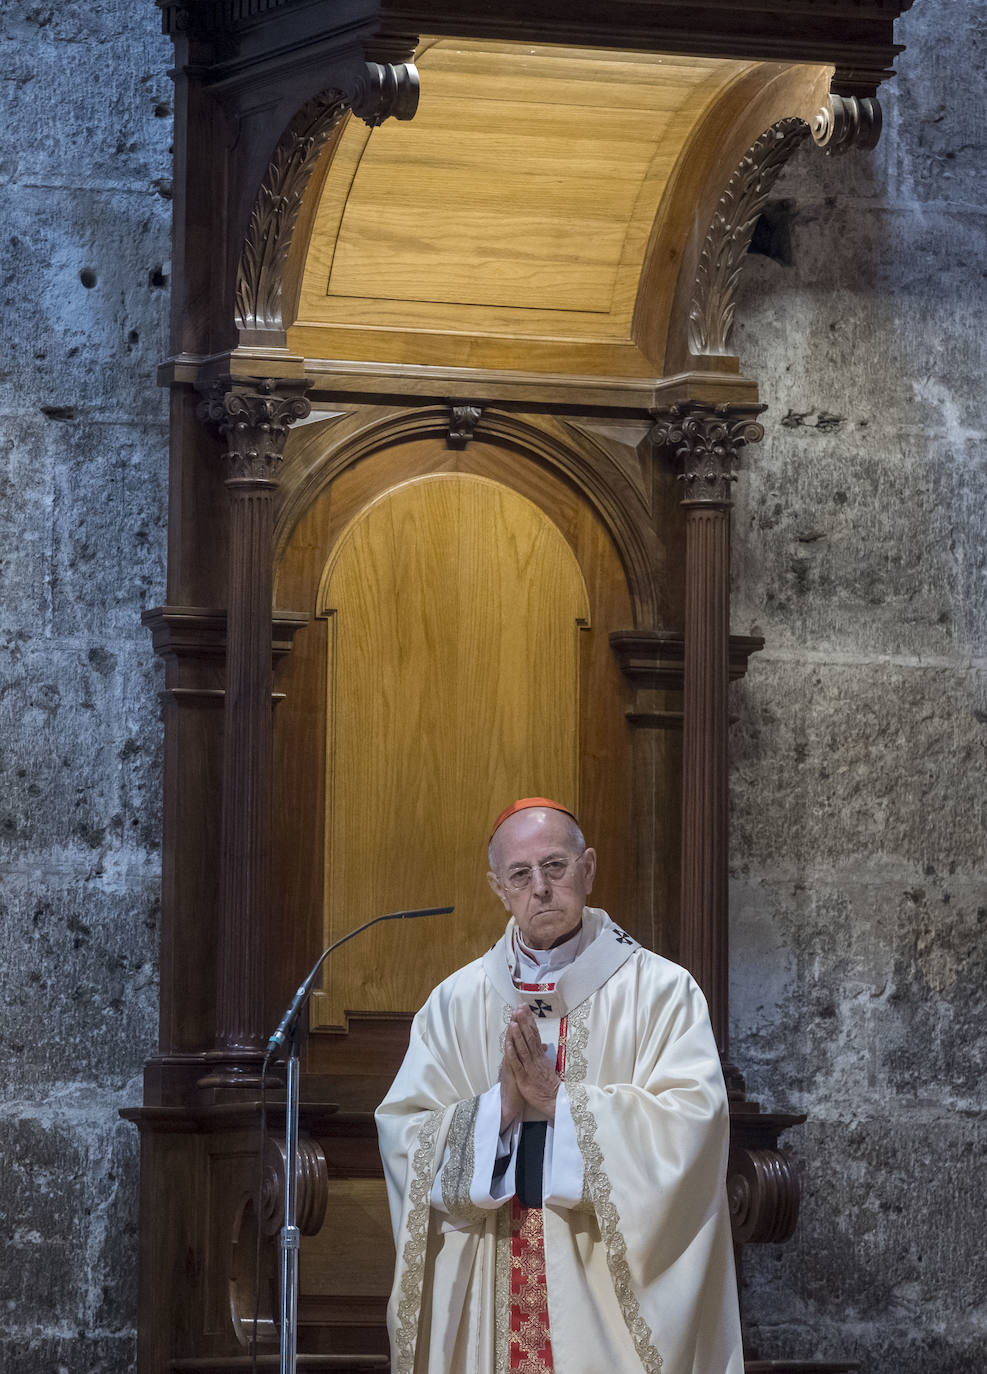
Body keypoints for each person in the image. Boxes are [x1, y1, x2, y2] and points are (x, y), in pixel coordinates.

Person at [375, 797, 743, 1374]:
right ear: (498, 888)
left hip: (601, 1305)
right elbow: (404, 1132)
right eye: (520, 875)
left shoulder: (661, 992)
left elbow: (693, 1125)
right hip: (490, 1278)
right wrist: (497, 1110)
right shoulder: (456, 1003)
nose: (540, 888)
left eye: (555, 866)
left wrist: (560, 1104)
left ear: (588, 869)